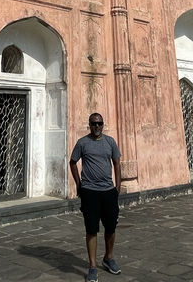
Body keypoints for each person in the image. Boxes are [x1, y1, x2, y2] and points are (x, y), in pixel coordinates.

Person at [70, 112, 122, 281]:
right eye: (94, 124)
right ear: (89, 125)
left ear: (103, 124)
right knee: (91, 230)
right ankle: (92, 266)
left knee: (111, 227)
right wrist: (79, 184)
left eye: (99, 123)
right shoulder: (82, 143)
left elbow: (116, 163)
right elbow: (73, 162)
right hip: (89, 191)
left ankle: (108, 257)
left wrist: (118, 187)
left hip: (108, 191)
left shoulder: (110, 142)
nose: (97, 126)